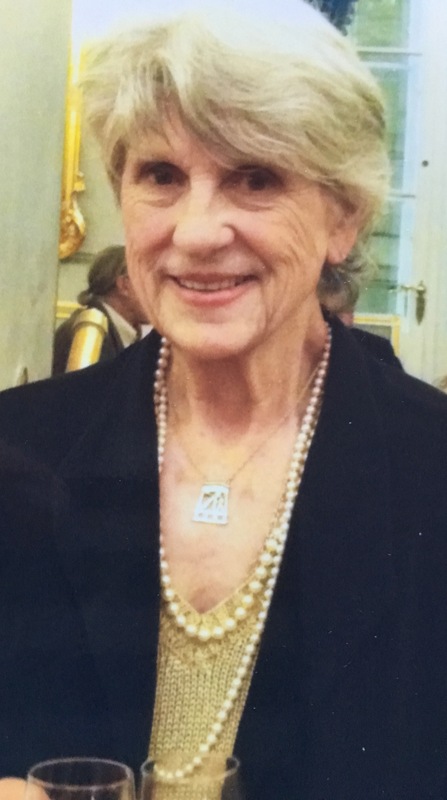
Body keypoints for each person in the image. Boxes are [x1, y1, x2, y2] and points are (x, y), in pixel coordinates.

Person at [1, 4, 447, 798]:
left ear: (343, 216)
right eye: (161, 177)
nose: (197, 232)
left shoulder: (428, 468)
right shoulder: (18, 447)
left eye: (256, 177)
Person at [52, 245, 147, 374]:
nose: (156, 296)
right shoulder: (88, 335)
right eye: (148, 284)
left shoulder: (118, 334)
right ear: (125, 285)